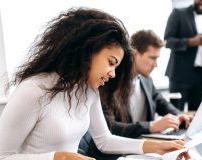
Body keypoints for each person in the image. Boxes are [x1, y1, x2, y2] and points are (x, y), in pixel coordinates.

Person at [0, 8, 186, 160]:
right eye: (111, 63)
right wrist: (58, 157)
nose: (113, 73)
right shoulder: (33, 90)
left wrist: (157, 146)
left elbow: (104, 141)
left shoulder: (88, 90)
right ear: (87, 50)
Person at [79, 29, 193, 159]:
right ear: (134, 54)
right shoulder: (106, 81)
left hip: (140, 151)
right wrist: (151, 126)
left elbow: (162, 103)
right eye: (152, 58)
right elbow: (110, 127)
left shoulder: (146, 80)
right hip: (112, 156)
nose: (155, 65)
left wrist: (179, 116)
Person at [164, 0, 202, 111]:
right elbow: (167, 41)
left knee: (197, 115)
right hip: (179, 75)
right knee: (176, 114)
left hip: (200, 77)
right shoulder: (178, 13)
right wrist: (191, 42)